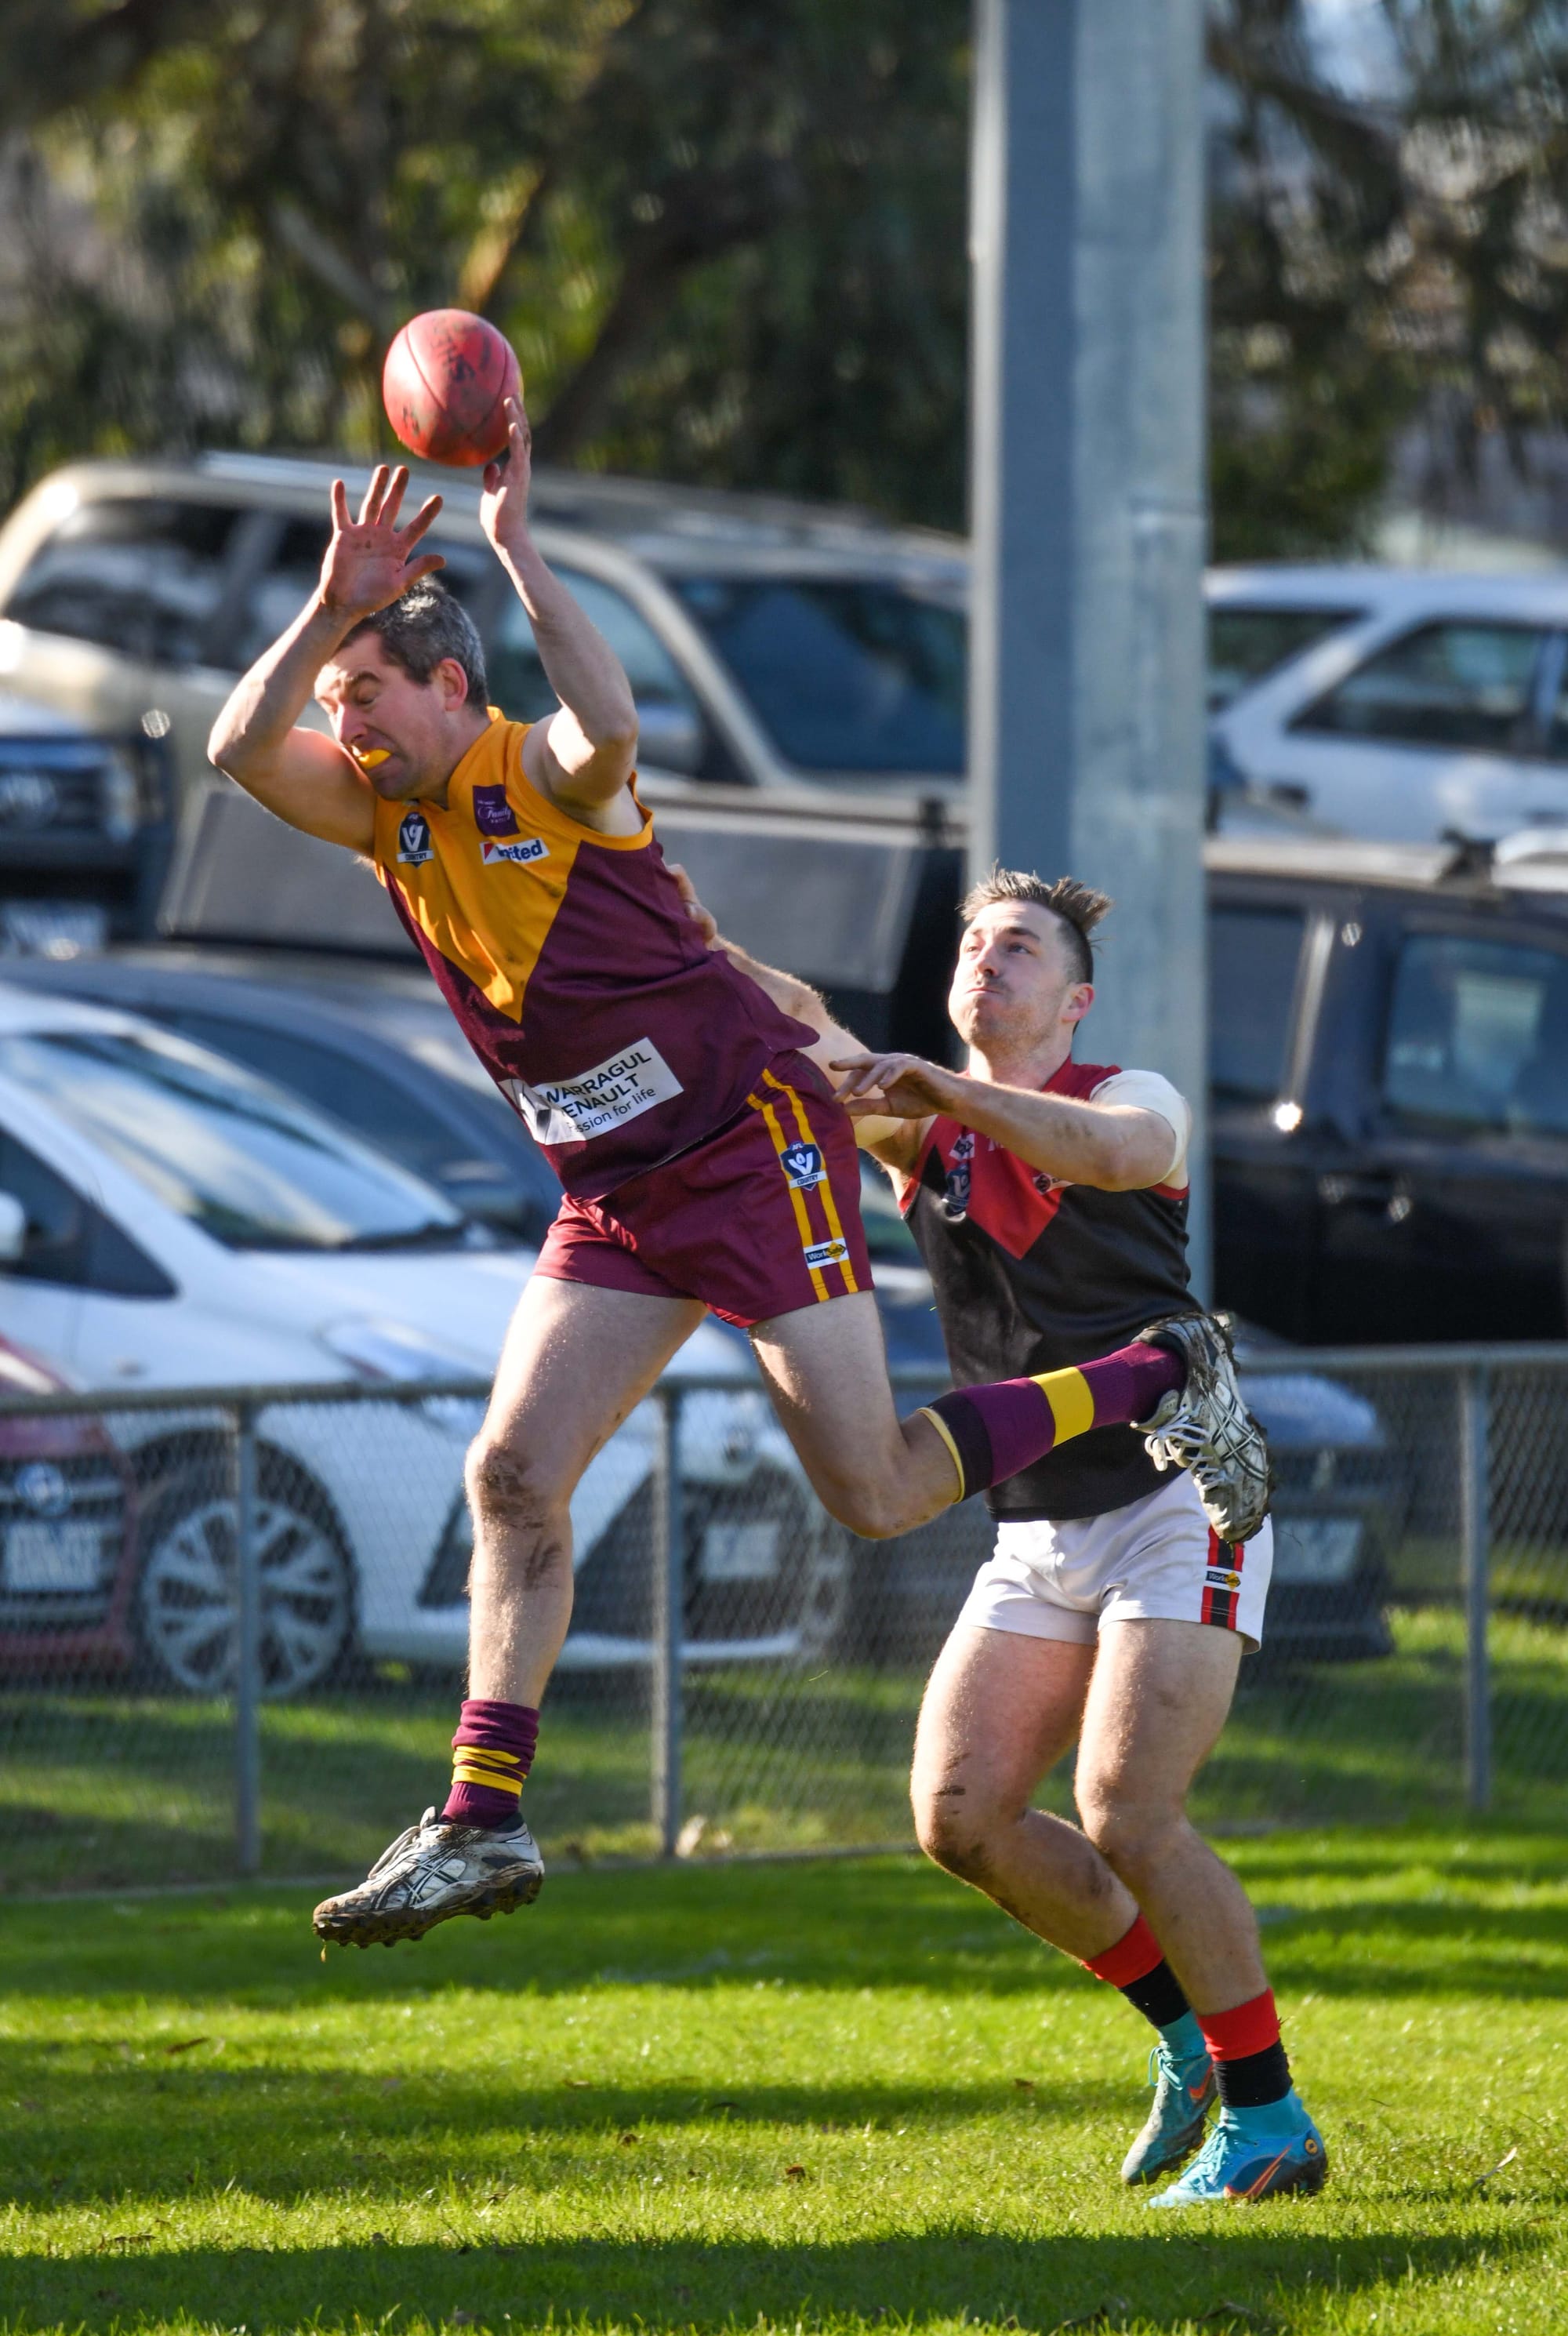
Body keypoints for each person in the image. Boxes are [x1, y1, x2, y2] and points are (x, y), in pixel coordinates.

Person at [205, 396, 1258, 1964]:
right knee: (512, 1475)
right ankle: (482, 1815)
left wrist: (520, 555)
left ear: (451, 687)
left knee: (880, 1489)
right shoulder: (386, 817)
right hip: (614, 1187)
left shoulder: (539, 777)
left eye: (369, 687)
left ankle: (1148, 1372)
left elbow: (610, 726)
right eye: (340, 693)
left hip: (746, 1144)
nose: (344, 718)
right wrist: (326, 607)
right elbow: (235, 747)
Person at [682, 866, 1321, 2207]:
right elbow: (803, 1018)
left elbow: (1116, 1161)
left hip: (1173, 1490)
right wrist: (652, 910)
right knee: (960, 1816)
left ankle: (1273, 2126)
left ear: (1074, 998)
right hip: (1041, 1523)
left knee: (1128, 1811)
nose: (988, 960)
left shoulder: (1126, 1095)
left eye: (1020, 946)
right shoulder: (933, 1129)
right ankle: (1188, 2040)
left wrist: (938, 1094)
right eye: (973, 943)